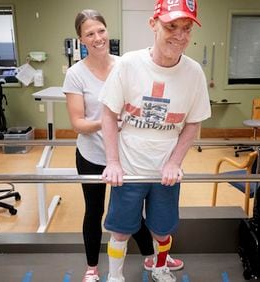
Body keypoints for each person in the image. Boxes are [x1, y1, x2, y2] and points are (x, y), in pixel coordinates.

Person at [62, 9, 183, 282]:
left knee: (132, 213)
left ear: (107, 32)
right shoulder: (75, 74)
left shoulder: (127, 64)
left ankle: (153, 258)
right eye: (89, 34)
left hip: (130, 155)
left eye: (101, 31)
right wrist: (109, 121)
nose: (97, 38)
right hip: (94, 153)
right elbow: (78, 123)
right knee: (95, 211)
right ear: (81, 39)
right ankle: (92, 267)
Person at [99, 0, 211, 281]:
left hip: (166, 172)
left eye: (186, 28)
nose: (180, 35)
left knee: (162, 229)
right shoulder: (128, 64)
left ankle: (159, 268)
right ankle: (115, 276)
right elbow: (109, 113)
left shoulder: (194, 72)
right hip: (129, 167)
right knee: (121, 229)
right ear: (153, 24)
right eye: (171, 26)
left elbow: (193, 122)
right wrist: (112, 162)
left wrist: (175, 161)